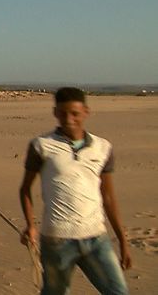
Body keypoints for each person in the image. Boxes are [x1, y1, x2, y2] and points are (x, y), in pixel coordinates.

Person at [19, 87, 132, 294]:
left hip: (96, 238)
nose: (69, 119)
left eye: (75, 114)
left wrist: (123, 241)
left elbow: (108, 197)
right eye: (63, 113)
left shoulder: (102, 147)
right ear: (55, 113)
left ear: (86, 112)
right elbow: (25, 189)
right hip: (57, 241)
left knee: (118, 291)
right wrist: (30, 225)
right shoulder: (41, 146)